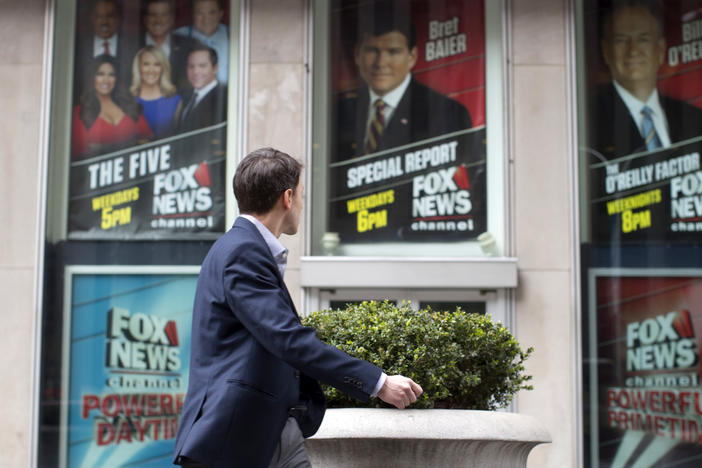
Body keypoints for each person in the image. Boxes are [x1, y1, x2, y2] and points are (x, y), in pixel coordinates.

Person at [173, 148, 423, 468]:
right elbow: (287, 339)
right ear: (288, 198)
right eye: (302, 195)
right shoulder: (242, 252)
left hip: (269, 429)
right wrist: (379, 382)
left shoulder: (242, 248)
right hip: (235, 439)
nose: (302, 206)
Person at [333, 2, 472, 161]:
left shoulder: (447, 113)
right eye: (372, 50)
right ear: (357, 54)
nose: (381, 63)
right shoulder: (340, 114)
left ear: (412, 57)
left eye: (393, 52)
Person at [588, 0, 702, 160]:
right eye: (621, 40)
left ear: (661, 50)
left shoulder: (693, 118)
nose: (633, 50)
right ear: (606, 51)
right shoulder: (587, 123)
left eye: (643, 39)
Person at [72, 55, 153, 158]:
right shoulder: (79, 113)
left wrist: (102, 147)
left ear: (117, 79)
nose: (106, 80)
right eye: (100, 74)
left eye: (111, 75)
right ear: (92, 77)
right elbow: (80, 155)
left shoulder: (130, 107)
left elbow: (148, 147)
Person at [74, 0, 138, 97]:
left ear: (119, 19)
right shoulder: (78, 47)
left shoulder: (133, 48)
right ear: (92, 18)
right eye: (99, 16)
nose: (104, 22)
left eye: (110, 16)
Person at [140, 0, 201, 90]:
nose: (158, 21)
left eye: (163, 15)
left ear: (172, 19)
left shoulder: (189, 45)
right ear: (145, 19)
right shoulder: (132, 46)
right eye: (153, 15)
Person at [130, 45, 182, 138]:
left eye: (157, 64)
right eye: (146, 64)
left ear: (163, 68)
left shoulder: (175, 101)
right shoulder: (128, 100)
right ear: (139, 67)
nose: (151, 70)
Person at [175, 0, 229, 84]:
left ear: (220, 14)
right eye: (200, 13)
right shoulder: (178, 37)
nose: (206, 19)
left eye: (211, 13)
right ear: (192, 15)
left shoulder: (233, 36)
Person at [175, 45, 227, 132]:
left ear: (215, 68)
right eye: (191, 66)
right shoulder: (184, 96)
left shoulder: (224, 97)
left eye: (202, 66)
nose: (195, 72)